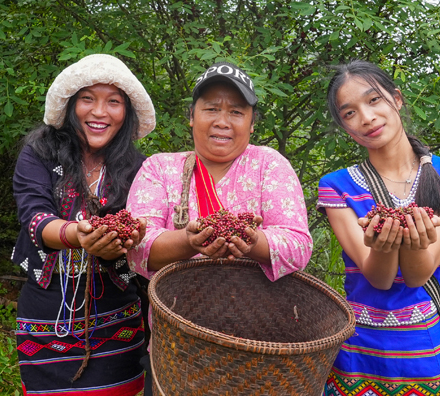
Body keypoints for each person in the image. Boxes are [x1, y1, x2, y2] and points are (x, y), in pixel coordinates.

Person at [126, 61, 313, 394]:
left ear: (252, 124)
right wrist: (189, 241)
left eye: (236, 112)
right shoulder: (160, 169)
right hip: (176, 351)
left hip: (257, 352)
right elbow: (138, 246)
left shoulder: (268, 165)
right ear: (192, 116)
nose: (222, 122)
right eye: (211, 108)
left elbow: (298, 244)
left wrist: (255, 243)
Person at [317, 60, 440, 396]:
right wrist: (384, 244)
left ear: (397, 99)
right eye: (349, 113)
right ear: (346, 128)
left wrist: (413, 243)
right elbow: (378, 279)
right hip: (357, 352)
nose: (366, 117)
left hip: (424, 350)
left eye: (373, 100)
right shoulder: (337, 187)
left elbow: (419, 276)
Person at [11, 54, 156, 396]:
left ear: (126, 112)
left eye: (113, 102)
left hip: (117, 312)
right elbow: (35, 217)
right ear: (71, 105)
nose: (99, 112)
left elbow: (147, 223)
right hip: (48, 312)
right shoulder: (39, 154)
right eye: (88, 99)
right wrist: (77, 234)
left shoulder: (140, 167)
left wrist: (133, 237)